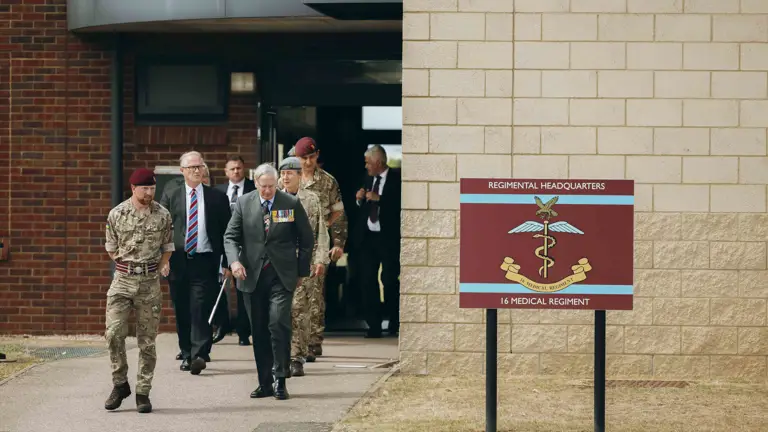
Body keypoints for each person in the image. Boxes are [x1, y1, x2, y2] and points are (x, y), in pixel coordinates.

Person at [224, 163, 313, 400]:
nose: (267, 191)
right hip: (252, 276)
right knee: (260, 329)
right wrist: (234, 262)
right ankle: (264, 383)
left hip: (281, 276)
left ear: (277, 184)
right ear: (256, 183)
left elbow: (306, 239)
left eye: (271, 186)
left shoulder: (290, 203)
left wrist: (301, 271)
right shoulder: (244, 203)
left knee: (278, 323)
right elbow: (230, 237)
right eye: (263, 186)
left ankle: (280, 378)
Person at [103, 168, 173, 413]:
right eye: (145, 188)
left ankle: (143, 392)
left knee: (147, 341)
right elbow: (111, 247)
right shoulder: (117, 213)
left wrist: (159, 265)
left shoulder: (162, 214)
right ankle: (120, 383)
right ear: (133, 188)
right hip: (122, 281)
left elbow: (168, 246)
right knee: (113, 333)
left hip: (149, 283)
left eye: (152, 188)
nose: (149, 193)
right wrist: (127, 265)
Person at [159, 151, 231, 375]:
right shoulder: (171, 194)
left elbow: (228, 232)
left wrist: (228, 261)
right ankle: (187, 352)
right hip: (177, 260)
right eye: (192, 167)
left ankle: (199, 354)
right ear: (182, 171)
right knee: (182, 308)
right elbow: (161, 229)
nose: (197, 170)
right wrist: (163, 259)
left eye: (200, 166)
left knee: (200, 307)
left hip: (204, 260)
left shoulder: (217, 197)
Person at [284, 137, 347, 359]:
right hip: (289, 246)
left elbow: (338, 212)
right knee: (292, 297)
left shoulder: (328, 182)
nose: (308, 162)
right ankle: (293, 342)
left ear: (317, 155)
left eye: (311, 157)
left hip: (316, 246)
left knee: (314, 295)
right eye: (303, 158)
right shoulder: (287, 178)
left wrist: (337, 241)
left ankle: (312, 341)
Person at [277, 157, 330, 377]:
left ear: (300, 175)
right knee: (279, 311)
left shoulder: (311, 199)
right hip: (278, 264)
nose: (285, 177)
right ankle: (280, 356)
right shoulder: (273, 198)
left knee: (300, 311)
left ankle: (296, 357)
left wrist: (320, 259)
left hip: (303, 263)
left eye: (290, 173)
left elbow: (320, 231)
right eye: (282, 173)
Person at [354, 145, 401, 338]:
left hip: (388, 238)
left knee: (389, 280)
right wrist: (359, 199)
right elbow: (362, 207)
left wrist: (379, 198)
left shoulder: (397, 179)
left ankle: (394, 322)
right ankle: (373, 325)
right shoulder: (367, 179)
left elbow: (400, 204)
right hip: (368, 238)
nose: (366, 166)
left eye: (368, 163)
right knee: (367, 280)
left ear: (378, 162)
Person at [213, 155, 256, 346]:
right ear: (226, 171)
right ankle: (222, 325)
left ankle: (243, 332)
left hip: (247, 245)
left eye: (239, 168)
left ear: (244, 168)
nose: (236, 171)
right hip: (223, 244)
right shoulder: (218, 192)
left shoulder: (254, 188)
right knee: (218, 286)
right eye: (232, 169)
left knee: (243, 289)